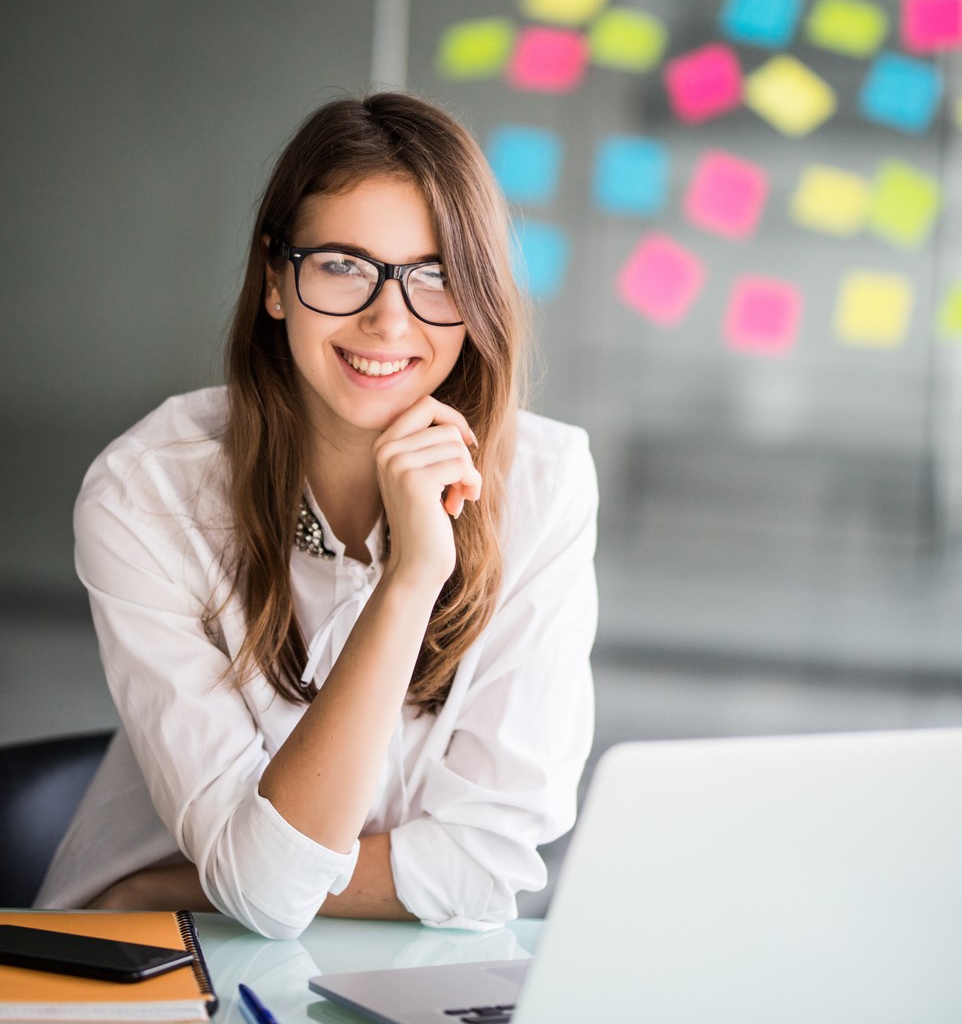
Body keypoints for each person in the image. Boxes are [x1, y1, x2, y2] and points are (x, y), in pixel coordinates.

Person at [36, 92, 598, 939]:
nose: (388, 318)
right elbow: (265, 894)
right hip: (147, 968)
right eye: (342, 264)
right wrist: (410, 579)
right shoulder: (147, 492)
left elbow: (487, 868)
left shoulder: (545, 482)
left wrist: (169, 884)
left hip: (370, 969)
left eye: (436, 274)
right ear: (274, 280)